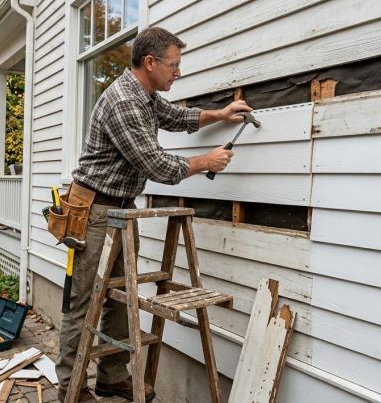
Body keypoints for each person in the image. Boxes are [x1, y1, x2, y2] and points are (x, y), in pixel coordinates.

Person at [56, 26, 252, 402]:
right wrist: (205, 161)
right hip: (95, 209)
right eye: (174, 65)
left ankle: (112, 376)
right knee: (83, 300)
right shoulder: (124, 102)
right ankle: (71, 386)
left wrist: (221, 114)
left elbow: (176, 117)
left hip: (121, 209)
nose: (178, 72)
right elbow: (156, 165)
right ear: (150, 63)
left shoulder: (145, 96)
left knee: (119, 297)